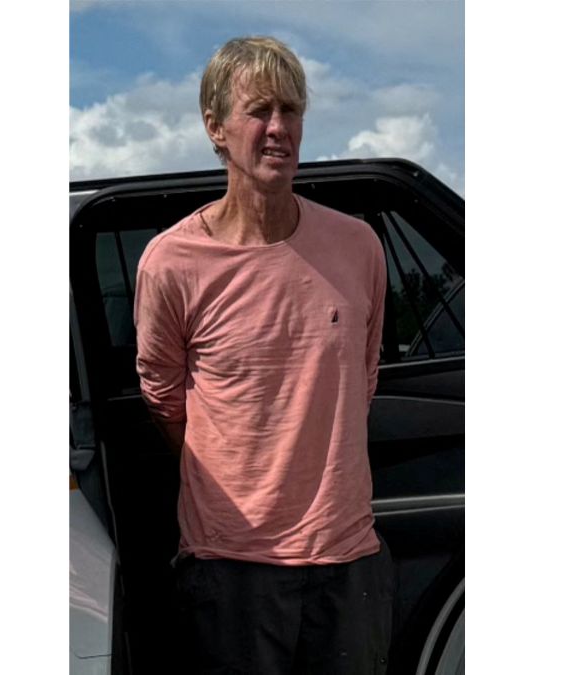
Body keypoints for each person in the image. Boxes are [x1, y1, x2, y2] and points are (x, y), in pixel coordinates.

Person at [133, 36, 392, 675]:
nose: (278, 129)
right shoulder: (172, 264)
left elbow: (361, 379)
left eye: (291, 110)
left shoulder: (358, 247)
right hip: (231, 570)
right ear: (215, 126)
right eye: (259, 111)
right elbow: (165, 401)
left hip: (347, 560)